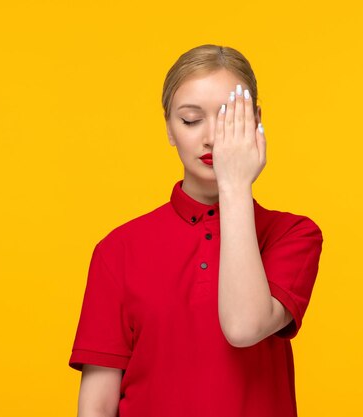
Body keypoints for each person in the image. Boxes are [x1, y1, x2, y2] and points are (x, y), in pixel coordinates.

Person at [68, 44, 324, 417]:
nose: (210, 138)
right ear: (170, 130)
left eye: (228, 118)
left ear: (255, 121)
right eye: (190, 120)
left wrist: (235, 185)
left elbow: (243, 326)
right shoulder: (118, 250)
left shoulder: (293, 234)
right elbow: (96, 405)